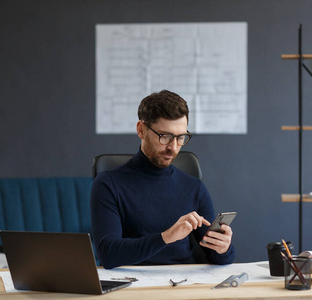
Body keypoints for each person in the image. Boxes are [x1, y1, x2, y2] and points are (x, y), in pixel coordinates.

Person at [91, 90, 235, 269]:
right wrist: (166, 237)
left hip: (185, 284)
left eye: (181, 137)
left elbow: (216, 257)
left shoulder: (194, 187)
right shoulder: (108, 184)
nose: (173, 148)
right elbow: (108, 254)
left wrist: (223, 248)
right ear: (141, 130)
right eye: (165, 136)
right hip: (132, 285)